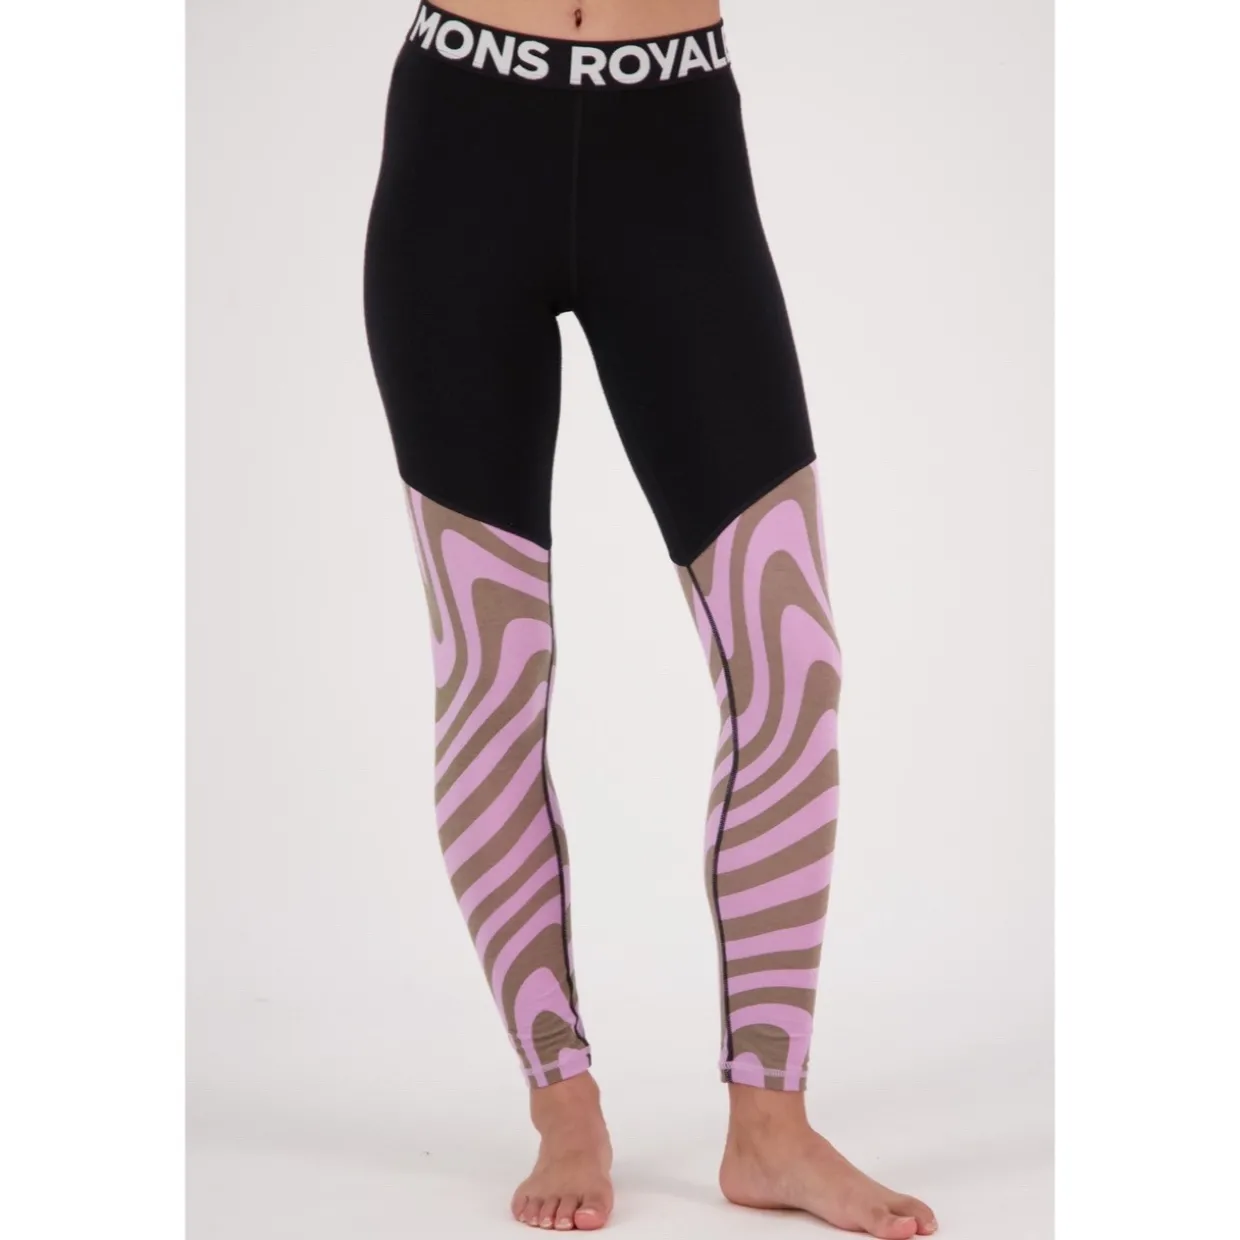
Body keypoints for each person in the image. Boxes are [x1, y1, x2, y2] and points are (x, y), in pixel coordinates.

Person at [364, 2, 937, 1233]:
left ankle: (769, 1125)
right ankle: (560, 1095)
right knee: (493, 662)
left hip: (673, 145)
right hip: (463, 134)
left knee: (792, 658)